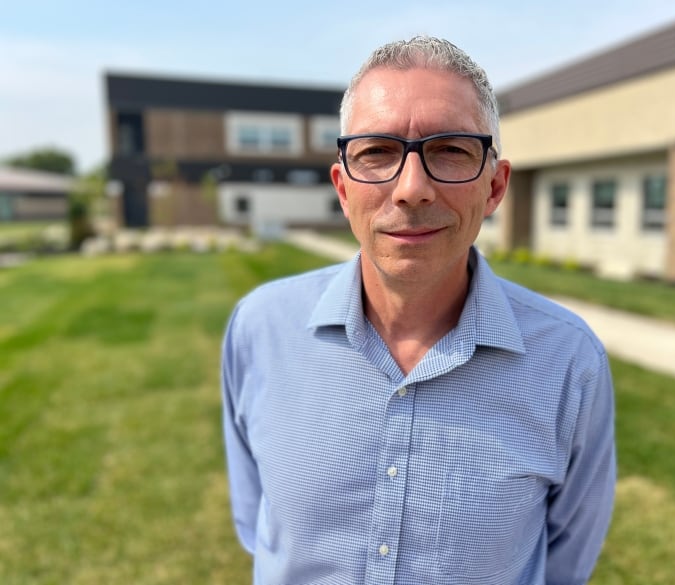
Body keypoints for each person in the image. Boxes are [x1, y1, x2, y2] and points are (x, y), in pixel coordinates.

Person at [222, 36, 616, 584]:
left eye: (450, 150)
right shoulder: (261, 329)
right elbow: (257, 527)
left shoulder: (570, 362)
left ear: (496, 185)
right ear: (343, 186)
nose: (411, 189)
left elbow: (565, 563)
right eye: (376, 152)